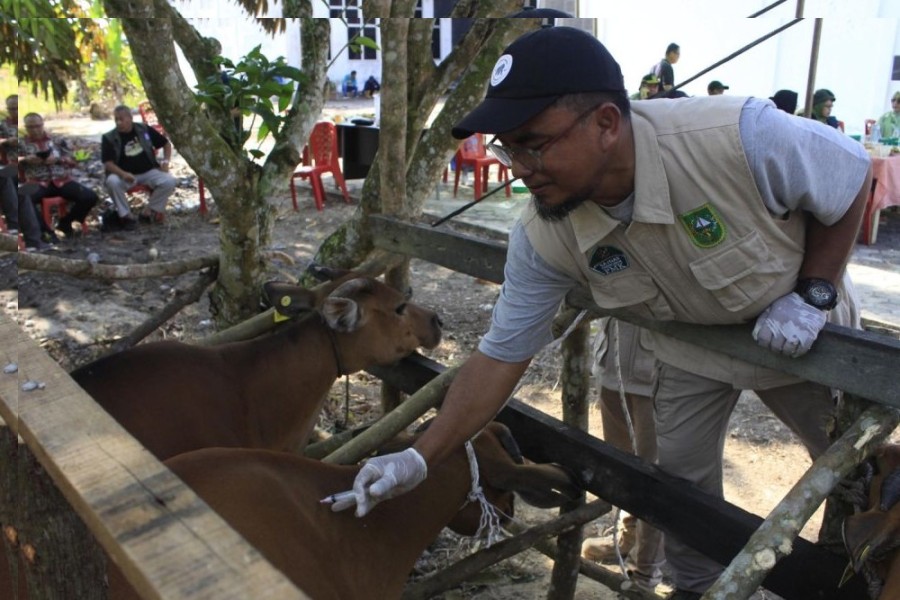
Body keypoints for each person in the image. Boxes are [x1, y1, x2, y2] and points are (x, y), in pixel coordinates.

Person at [333, 27, 870, 600]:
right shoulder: (545, 236)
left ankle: (864, 579)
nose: (521, 167)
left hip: (801, 337)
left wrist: (813, 292)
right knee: (683, 495)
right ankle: (695, 591)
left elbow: (852, 175)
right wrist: (418, 459)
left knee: (860, 475)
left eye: (533, 143)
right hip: (693, 347)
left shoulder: (736, 137)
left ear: (608, 124)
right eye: (507, 148)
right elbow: (499, 356)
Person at [581, 319, 665, 593]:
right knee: (620, 465)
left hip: (658, 369)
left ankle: (645, 572)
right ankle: (630, 535)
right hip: (613, 360)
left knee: (656, 475)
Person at [19, 112, 98, 238]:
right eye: (31, 127)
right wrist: (26, 160)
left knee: (90, 196)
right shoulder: (21, 143)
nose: (35, 130)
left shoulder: (57, 140)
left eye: (38, 126)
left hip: (61, 180)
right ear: (26, 128)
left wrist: (57, 160)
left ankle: (66, 223)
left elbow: (73, 160)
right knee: (23, 198)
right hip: (37, 182)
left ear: (43, 125)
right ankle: (45, 231)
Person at [101, 105, 176, 228]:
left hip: (148, 171)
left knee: (169, 181)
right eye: (116, 120)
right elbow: (108, 163)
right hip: (124, 175)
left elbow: (166, 144)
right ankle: (125, 216)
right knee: (112, 181)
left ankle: (149, 211)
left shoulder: (143, 129)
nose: (119, 123)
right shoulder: (109, 137)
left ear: (130, 118)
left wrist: (165, 162)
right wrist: (123, 174)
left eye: (121, 119)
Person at [0, 94, 17, 165]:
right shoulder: (2, 124)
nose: (16, 111)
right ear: (7, 109)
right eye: (12, 109)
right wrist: (7, 141)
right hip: (9, 165)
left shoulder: (32, 125)